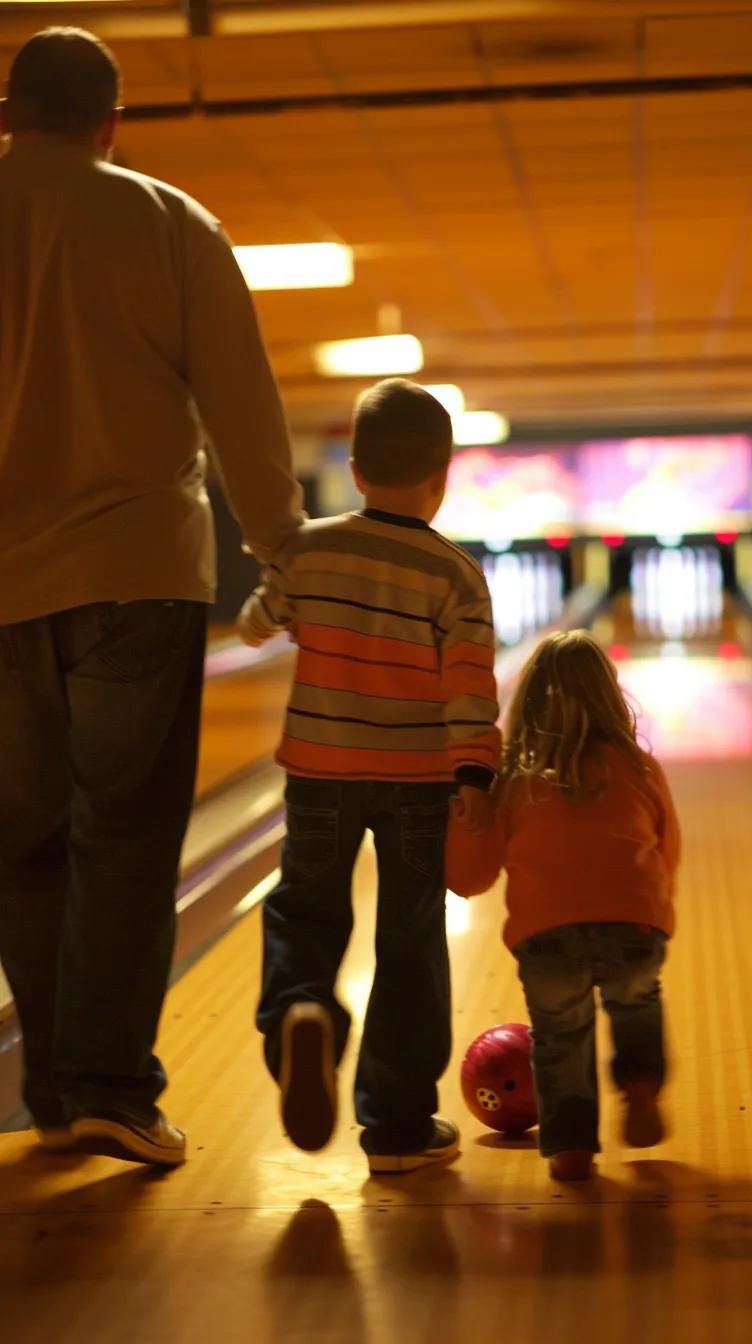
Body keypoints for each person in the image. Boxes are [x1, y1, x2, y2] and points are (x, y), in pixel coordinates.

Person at [0, 29, 303, 1166]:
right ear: (111, 121)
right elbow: (240, 398)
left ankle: (51, 1087)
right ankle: (114, 1091)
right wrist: (280, 545)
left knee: (21, 844)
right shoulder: (169, 220)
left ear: (9, 111)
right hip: (136, 571)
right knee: (121, 839)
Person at [237, 378, 500, 1174]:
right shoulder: (456, 575)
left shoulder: (310, 548)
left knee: (305, 913)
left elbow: (257, 623)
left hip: (319, 771)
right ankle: (397, 1126)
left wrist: (270, 582)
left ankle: (301, 1014)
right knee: (410, 939)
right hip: (418, 780)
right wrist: (476, 782)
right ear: (443, 475)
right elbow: (470, 692)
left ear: (352, 468)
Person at [446, 630, 680, 1181]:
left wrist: (460, 823)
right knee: (637, 1002)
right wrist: (650, 913)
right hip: (635, 924)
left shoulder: (515, 778)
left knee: (559, 1037)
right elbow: (667, 855)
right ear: (610, 696)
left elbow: (470, 879)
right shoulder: (641, 768)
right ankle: (641, 1086)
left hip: (546, 934)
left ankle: (572, 1147)